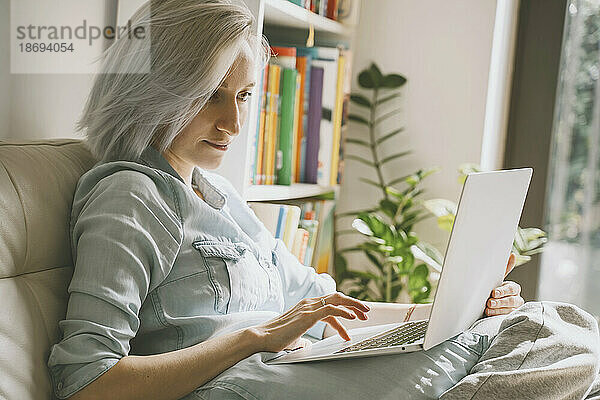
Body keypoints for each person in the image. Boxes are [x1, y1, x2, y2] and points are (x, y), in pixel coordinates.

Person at [47, 1, 595, 400]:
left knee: (556, 323)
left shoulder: (219, 196)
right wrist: (255, 338)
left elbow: (324, 305)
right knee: (555, 337)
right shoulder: (131, 197)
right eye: (212, 95)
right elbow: (86, 381)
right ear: (158, 90)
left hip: (298, 369)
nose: (235, 123)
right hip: (247, 386)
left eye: (242, 97)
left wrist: (448, 309)